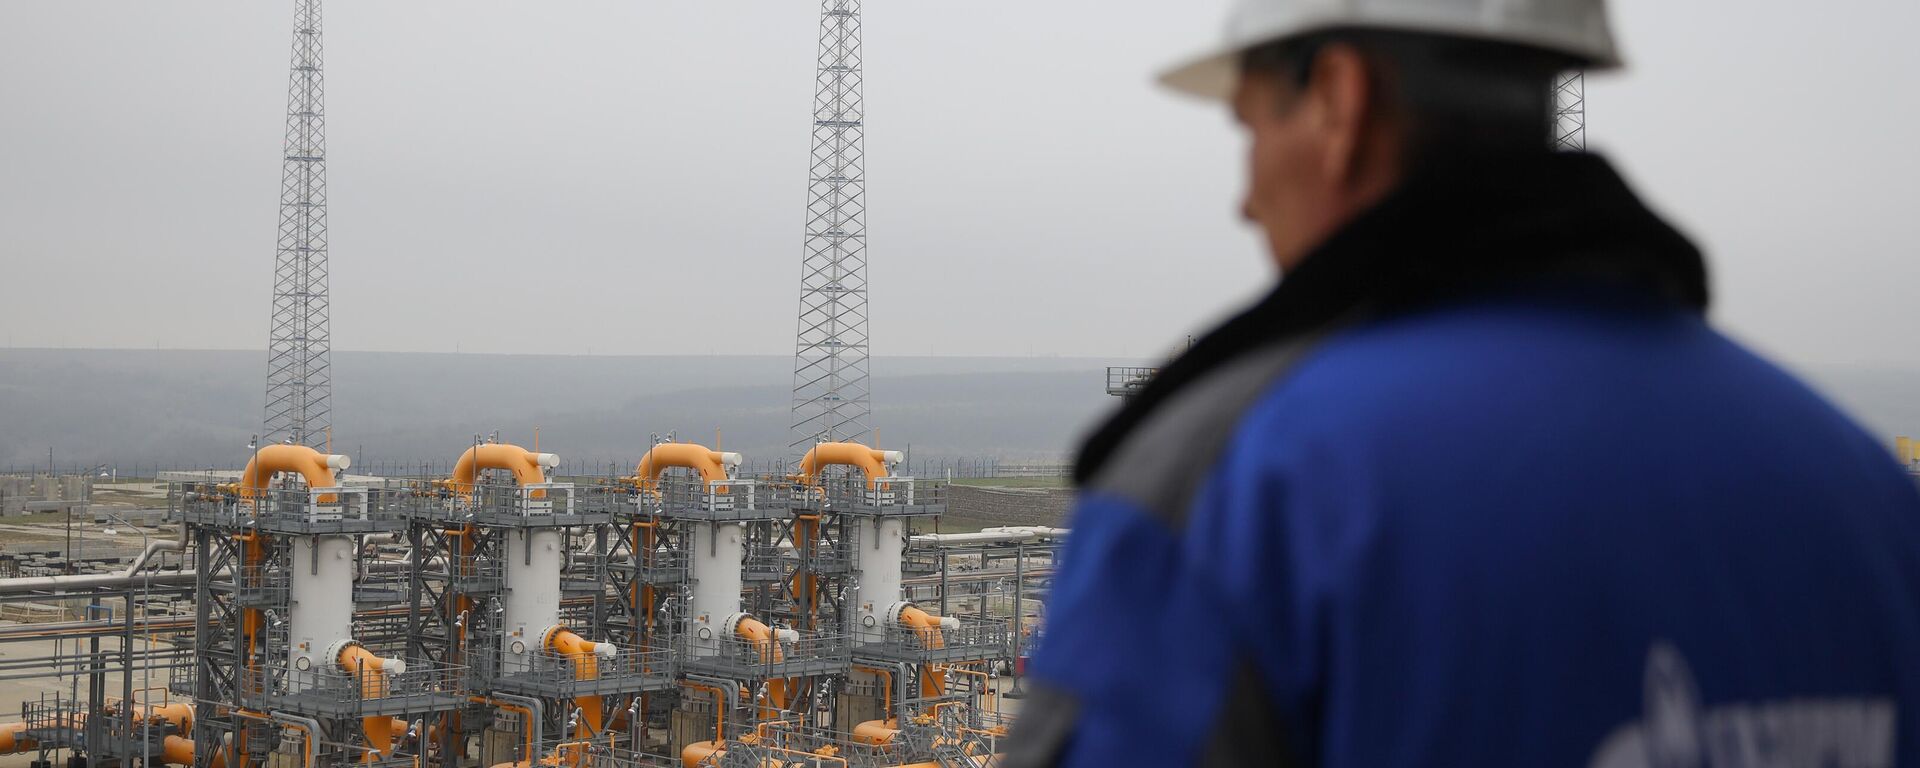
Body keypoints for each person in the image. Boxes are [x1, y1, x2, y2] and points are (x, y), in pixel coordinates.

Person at [1005, 1, 1920, 766]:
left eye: (1249, 127)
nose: (1244, 201)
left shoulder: (1236, 490)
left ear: (1338, 100)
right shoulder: (1865, 496)